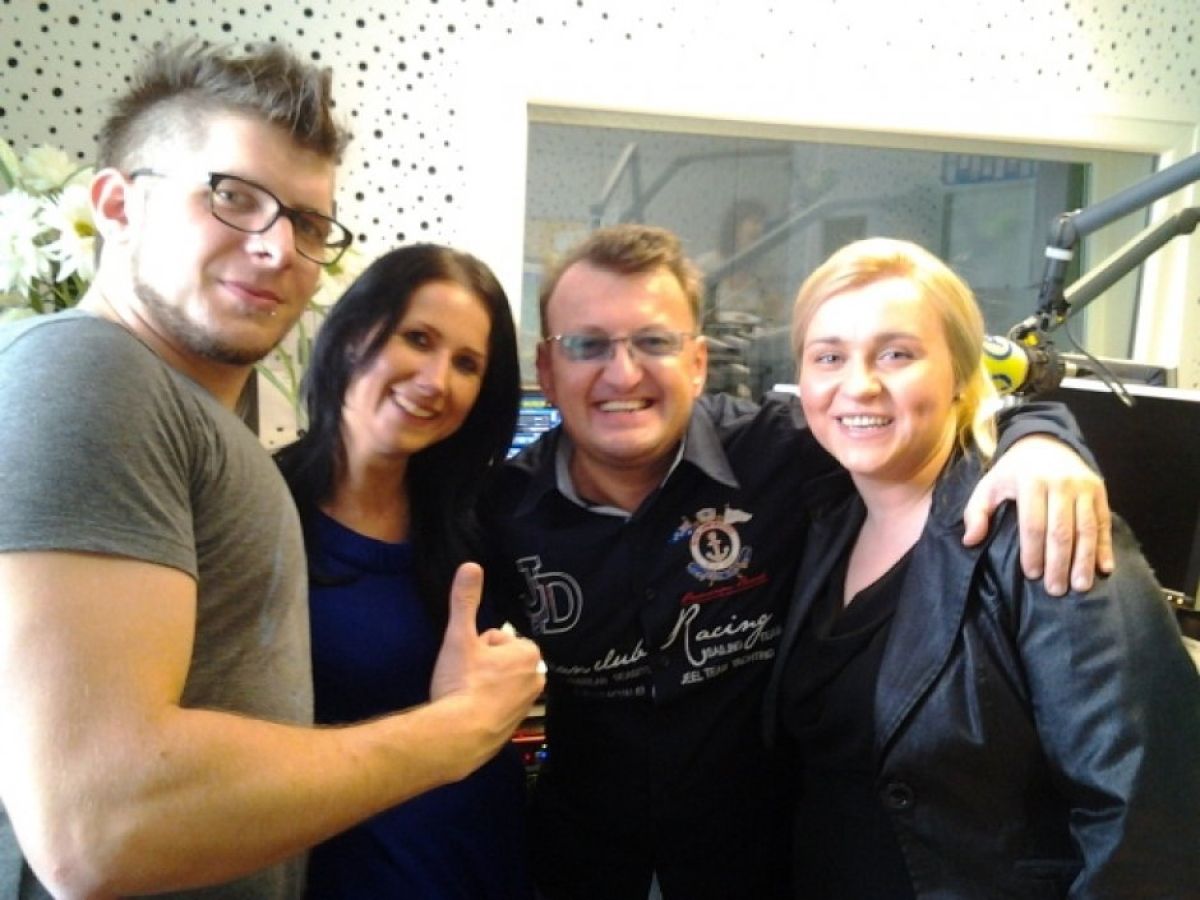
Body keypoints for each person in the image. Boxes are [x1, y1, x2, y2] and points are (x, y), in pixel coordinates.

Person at [0, 42, 542, 899]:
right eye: (233, 197)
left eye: (309, 223)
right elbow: (99, 824)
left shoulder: (198, 424)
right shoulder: (89, 371)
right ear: (116, 205)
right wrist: (456, 730)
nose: (276, 247)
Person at [480, 224, 1112, 900]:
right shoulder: (500, 513)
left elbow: (914, 427)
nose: (624, 373)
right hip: (581, 865)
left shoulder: (783, 457)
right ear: (547, 369)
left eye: (655, 342)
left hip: (764, 865)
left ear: (697, 362)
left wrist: (1040, 435)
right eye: (587, 344)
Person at [764, 238, 1200, 898]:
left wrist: (1040, 433)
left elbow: (1149, 815)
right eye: (829, 357)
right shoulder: (819, 515)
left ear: (963, 375)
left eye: (896, 354)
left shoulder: (1043, 528)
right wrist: (1042, 427)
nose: (859, 384)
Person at [274, 244, 533, 898]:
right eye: (418, 339)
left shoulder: (478, 522)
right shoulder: (263, 512)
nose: (436, 381)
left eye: (467, 364)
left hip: (487, 865)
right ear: (353, 333)